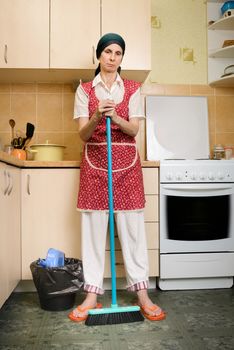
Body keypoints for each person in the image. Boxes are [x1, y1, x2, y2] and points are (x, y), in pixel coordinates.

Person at [69, 33, 166, 322]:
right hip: (95, 164)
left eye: (118, 53)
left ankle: (143, 295)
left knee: (133, 232)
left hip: (126, 167)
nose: (112, 57)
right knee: (93, 232)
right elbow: (83, 134)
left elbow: (134, 130)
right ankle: (91, 295)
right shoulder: (84, 91)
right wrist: (99, 115)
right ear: (98, 55)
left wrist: (117, 118)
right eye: (107, 52)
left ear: (122, 58)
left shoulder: (134, 88)